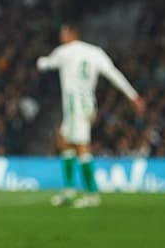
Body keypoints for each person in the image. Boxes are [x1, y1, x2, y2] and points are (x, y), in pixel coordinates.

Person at [36, 23, 146, 208]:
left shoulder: (65, 51)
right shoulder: (96, 52)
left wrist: (40, 61)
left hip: (76, 104)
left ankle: (92, 194)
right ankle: (69, 191)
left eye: (63, 33)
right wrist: (133, 96)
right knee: (64, 141)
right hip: (87, 103)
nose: (61, 37)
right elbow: (113, 74)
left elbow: (46, 64)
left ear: (71, 33)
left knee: (81, 145)